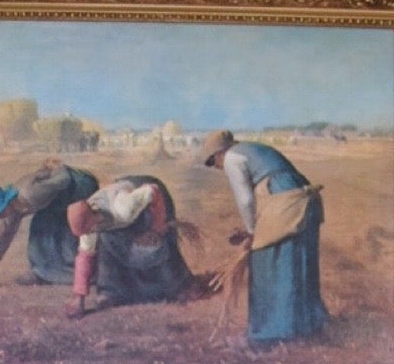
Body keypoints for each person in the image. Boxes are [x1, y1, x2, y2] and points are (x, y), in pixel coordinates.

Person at [200, 129, 328, 344]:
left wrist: (251, 232)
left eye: (213, 162)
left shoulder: (232, 158)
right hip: (300, 201)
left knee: (266, 262)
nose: (217, 167)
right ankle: (307, 325)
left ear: (219, 154)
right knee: (298, 258)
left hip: (285, 201)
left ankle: (272, 332)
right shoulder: (252, 149)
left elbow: (246, 200)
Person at [61, 175, 203, 318]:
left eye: (88, 230)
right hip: (125, 211)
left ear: (94, 218)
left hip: (151, 198)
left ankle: (181, 286)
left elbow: (153, 191)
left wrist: (157, 229)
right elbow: (85, 257)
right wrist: (79, 297)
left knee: (157, 246)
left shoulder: (122, 208)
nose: (87, 234)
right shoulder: (88, 225)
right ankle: (111, 292)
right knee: (107, 245)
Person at [0, 162, 100, 287]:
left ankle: (88, 274)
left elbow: (64, 179)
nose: (0, 216)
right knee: (40, 231)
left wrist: (68, 211)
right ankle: (44, 273)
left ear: (6, 203)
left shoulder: (31, 194)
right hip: (59, 199)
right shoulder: (13, 207)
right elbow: (3, 236)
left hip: (80, 186)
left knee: (64, 231)